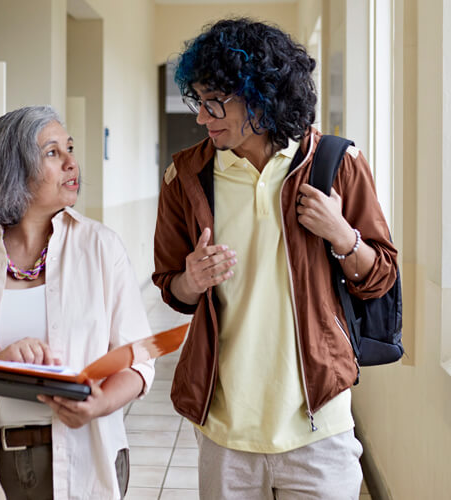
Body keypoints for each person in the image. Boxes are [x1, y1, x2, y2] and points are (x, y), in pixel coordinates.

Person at [152, 19, 399, 500]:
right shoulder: (185, 176)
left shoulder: (338, 164)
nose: (202, 117)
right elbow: (171, 288)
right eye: (197, 101)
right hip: (226, 431)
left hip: (320, 428)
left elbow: (381, 278)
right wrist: (191, 279)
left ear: (261, 95)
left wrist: (342, 235)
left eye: (214, 102)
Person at [0, 106, 153, 500]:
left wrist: (100, 403)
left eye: (69, 148)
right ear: (11, 171)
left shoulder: (101, 247)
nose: (72, 162)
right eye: (53, 153)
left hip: (86, 455)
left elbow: (139, 357)